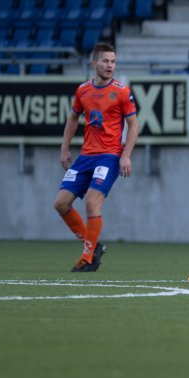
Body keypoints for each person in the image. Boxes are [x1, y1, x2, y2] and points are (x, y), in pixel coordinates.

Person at [53, 43, 139, 272]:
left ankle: (88, 258)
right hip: (85, 157)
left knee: (92, 201)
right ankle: (93, 246)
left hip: (109, 156)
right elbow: (73, 119)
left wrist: (126, 155)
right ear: (95, 64)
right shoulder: (83, 91)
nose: (110, 65)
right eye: (106, 61)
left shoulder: (122, 91)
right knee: (60, 203)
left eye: (113, 61)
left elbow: (133, 125)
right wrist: (64, 147)